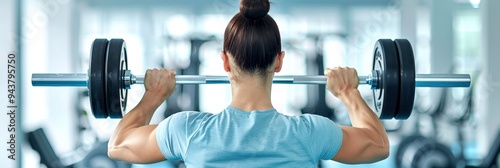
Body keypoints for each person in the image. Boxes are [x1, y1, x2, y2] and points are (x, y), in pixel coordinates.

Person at [108, 0, 389, 166]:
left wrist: (153, 96)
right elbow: (378, 145)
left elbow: (118, 145)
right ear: (279, 62)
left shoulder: (186, 131)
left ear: (225, 62)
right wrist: (349, 92)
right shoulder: (310, 133)